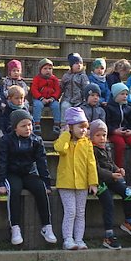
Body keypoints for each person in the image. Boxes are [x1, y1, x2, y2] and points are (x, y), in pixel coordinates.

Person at [0, 109, 57, 247]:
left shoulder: (36, 140)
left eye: (29, 125)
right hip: (12, 173)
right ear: (15, 128)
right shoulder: (6, 140)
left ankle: (46, 226)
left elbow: (42, 163)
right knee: (15, 190)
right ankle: (15, 228)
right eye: (23, 126)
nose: (28, 128)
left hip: (29, 172)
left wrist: (47, 183)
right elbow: (2, 161)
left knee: (40, 188)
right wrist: (0, 182)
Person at [90, 119, 131, 249]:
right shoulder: (91, 149)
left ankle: (128, 222)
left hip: (111, 179)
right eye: (98, 135)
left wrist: (117, 169)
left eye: (104, 135)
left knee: (128, 193)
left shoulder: (105, 148)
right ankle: (109, 235)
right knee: (108, 202)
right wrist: (111, 175)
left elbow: (110, 163)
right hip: (98, 182)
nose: (101, 138)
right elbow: (96, 169)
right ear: (91, 136)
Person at [54, 106, 98, 251]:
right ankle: (68, 239)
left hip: (82, 184)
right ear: (71, 127)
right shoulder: (64, 140)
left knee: (80, 213)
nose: (83, 130)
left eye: (85, 127)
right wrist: (66, 134)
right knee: (70, 211)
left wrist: (93, 182)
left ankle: (79, 239)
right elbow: (60, 148)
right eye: (80, 127)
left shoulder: (87, 143)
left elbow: (91, 164)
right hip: (66, 183)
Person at [104, 82, 131, 185]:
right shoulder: (108, 108)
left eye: (126, 94)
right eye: (122, 94)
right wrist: (114, 131)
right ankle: (119, 171)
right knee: (120, 144)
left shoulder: (129, 107)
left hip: (125, 132)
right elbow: (106, 123)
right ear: (115, 95)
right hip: (114, 133)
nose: (125, 96)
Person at [30, 58, 61, 137]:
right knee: (37, 105)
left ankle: (57, 124)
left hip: (51, 99)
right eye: (45, 68)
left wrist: (53, 98)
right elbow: (34, 90)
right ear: (40, 70)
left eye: (50, 69)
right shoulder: (37, 79)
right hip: (39, 99)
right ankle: (36, 124)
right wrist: (41, 98)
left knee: (56, 105)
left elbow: (58, 90)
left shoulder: (54, 79)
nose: (48, 70)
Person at [60, 53, 89, 129]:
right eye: (76, 63)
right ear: (71, 65)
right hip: (68, 99)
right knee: (64, 106)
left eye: (81, 63)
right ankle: (63, 126)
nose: (79, 65)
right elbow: (61, 88)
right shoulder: (66, 76)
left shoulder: (83, 76)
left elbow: (86, 89)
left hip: (79, 100)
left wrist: (85, 100)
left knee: (81, 110)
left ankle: (80, 127)